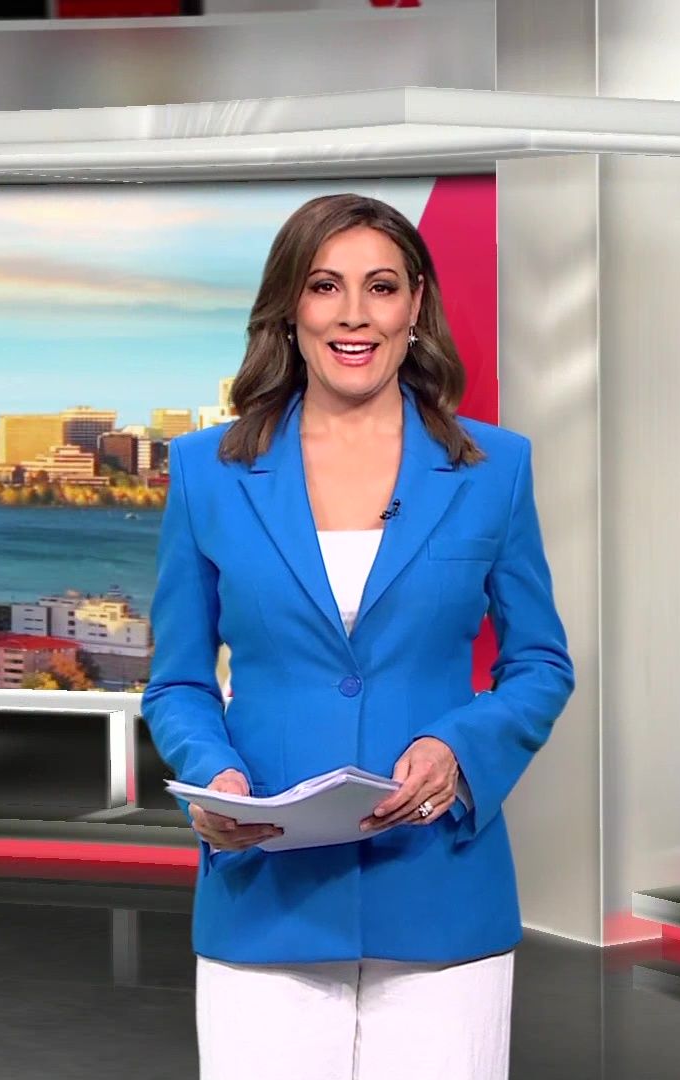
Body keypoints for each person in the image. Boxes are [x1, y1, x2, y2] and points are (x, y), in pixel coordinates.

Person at [142, 193, 575, 1080]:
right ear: (288, 309)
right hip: (265, 891)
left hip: (440, 889)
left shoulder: (493, 469)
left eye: (380, 287)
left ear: (416, 305)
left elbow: (539, 664)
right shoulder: (207, 472)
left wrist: (460, 751)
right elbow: (178, 680)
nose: (353, 314)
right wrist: (213, 779)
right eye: (324, 286)